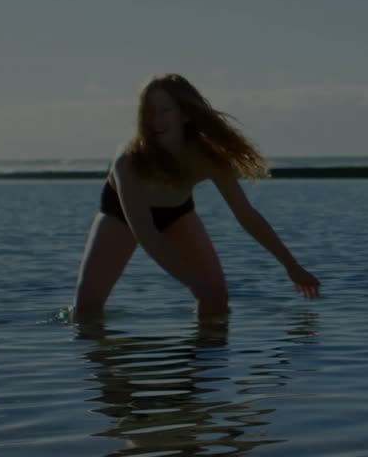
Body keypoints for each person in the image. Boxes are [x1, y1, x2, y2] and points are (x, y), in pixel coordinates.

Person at [73, 73, 320, 317]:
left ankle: (207, 354)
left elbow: (247, 216)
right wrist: (192, 280)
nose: (155, 120)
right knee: (87, 309)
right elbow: (147, 234)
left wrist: (291, 266)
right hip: (121, 216)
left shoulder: (208, 158)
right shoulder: (129, 162)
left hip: (177, 212)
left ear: (185, 114)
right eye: (149, 111)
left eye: (164, 110)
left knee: (216, 298)